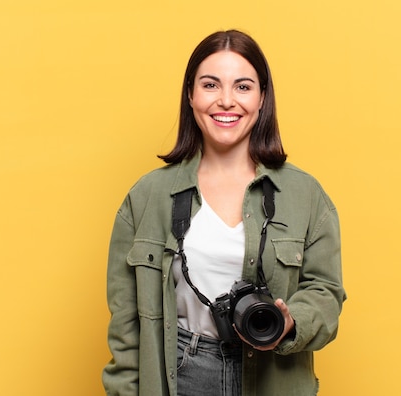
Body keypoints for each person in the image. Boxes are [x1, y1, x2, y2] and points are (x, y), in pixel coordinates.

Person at [102, 29, 346, 396]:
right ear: (190, 95)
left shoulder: (305, 194)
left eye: (243, 87)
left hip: (273, 376)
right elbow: (125, 328)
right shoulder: (147, 196)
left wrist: (291, 322)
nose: (227, 101)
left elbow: (326, 292)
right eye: (211, 85)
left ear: (263, 98)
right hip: (180, 371)